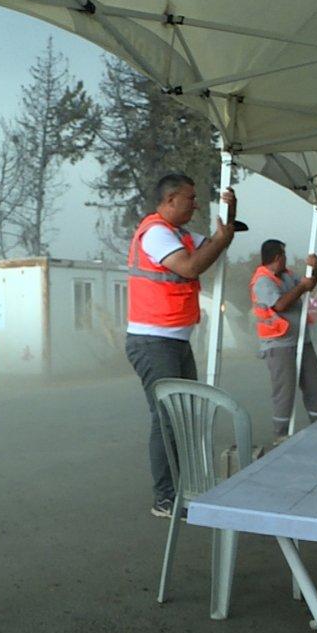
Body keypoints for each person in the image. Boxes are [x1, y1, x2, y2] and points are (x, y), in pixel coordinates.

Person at [124, 173, 236, 518]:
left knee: (182, 414)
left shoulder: (179, 234)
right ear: (170, 199)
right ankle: (165, 498)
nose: (196, 204)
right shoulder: (156, 233)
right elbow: (190, 267)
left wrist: (229, 221)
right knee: (167, 418)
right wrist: (222, 237)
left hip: (172, 339)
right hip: (153, 340)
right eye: (191, 198)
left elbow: (212, 248)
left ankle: (180, 490)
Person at [250, 239, 317, 441]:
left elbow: (307, 285)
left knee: (314, 384)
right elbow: (281, 304)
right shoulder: (262, 281)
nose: (286, 258)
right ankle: (281, 435)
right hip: (279, 344)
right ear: (277, 257)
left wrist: (314, 269)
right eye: (284, 254)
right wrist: (302, 286)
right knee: (285, 391)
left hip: (301, 340)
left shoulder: (287, 275)